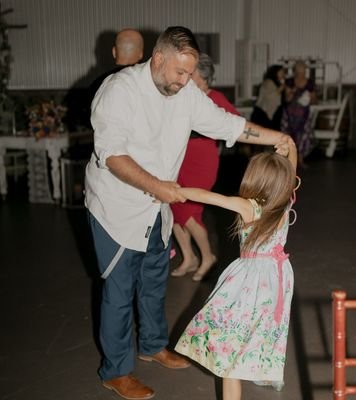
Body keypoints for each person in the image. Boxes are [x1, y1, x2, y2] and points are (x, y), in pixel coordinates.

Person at [85, 26, 294, 400]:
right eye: (180, 72)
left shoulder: (185, 94)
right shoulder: (119, 91)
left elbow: (229, 124)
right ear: (159, 58)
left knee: (154, 280)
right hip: (117, 209)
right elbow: (112, 154)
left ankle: (152, 345)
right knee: (119, 290)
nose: (186, 81)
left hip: (158, 207)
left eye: (190, 73)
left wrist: (274, 137)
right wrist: (158, 186)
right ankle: (116, 371)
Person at [175, 142, 299, 400]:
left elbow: (210, 197)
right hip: (277, 279)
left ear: (253, 179)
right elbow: (292, 170)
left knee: (229, 354)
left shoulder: (249, 206)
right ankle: (261, 366)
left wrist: (174, 191)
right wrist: (291, 149)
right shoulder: (284, 200)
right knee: (263, 327)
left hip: (249, 281)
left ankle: (240, 368)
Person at [170, 53, 240, 281]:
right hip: (181, 158)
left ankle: (208, 256)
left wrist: (212, 132)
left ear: (201, 74)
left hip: (202, 160)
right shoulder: (186, 97)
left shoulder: (215, 97)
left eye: (191, 72)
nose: (187, 75)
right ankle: (189, 257)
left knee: (188, 211)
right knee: (173, 208)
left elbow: (236, 121)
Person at [281, 60, 317, 167]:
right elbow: (287, 99)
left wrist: (309, 98)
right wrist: (293, 91)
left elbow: (315, 100)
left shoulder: (309, 83)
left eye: (303, 72)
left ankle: (300, 159)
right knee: (288, 135)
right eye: (299, 72)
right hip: (289, 114)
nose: (301, 74)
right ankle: (288, 161)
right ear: (295, 71)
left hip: (303, 115)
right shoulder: (290, 82)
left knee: (303, 136)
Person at [251, 64, 286, 131]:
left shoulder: (279, 83)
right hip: (263, 115)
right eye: (281, 72)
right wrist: (280, 89)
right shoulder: (268, 82)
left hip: (274, 116)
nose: (283, 74)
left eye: (283, 72)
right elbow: (269, 97)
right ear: (275, 73)